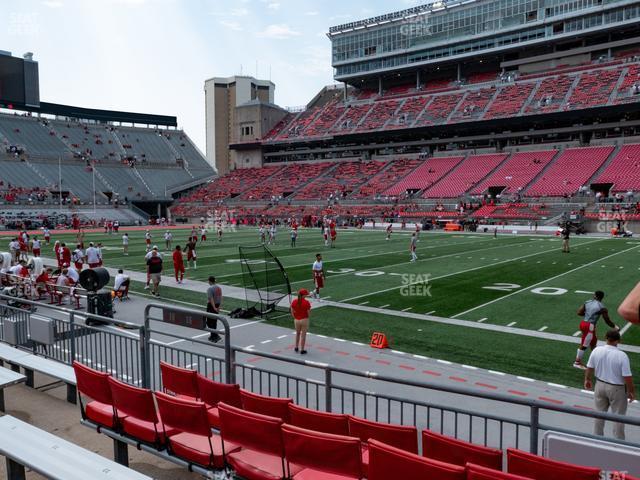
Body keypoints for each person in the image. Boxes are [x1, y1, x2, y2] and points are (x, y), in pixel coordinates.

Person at [584, 329, 635, 440]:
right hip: (617, 389)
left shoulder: (596, 350)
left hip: (600, 385)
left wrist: (587, 380)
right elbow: (627, 377)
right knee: (618, 418)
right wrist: (631, 391)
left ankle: (596, 440)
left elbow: (589, 367)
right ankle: (618, 443)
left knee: (599, 415)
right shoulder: (622, 355)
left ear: (605, 338)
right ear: (618, 341)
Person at [574, 291, 618, 369]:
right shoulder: (602, 307)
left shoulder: (587, 302)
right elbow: (607, 320)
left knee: (593, 343)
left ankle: (596, 361)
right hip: (589, 326)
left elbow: (579, 312)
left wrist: (588, 314)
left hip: (583, 323)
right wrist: (615, 326)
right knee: (584, 345)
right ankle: (577, 362)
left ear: (595, 296)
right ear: (602, 297)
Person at [291, 288, 312, 354]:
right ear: (303, 295)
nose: (306, 295)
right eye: (306, 294)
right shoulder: (306, 302)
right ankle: (302, 350)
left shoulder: (294, 301)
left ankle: (296, 347)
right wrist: (307, 317)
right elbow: (308, 313)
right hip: (304, 319)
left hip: (296, 320)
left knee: (297, 334)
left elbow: (292, 310)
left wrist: (295, 317)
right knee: (303, 335)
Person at [206, 276, 222, 343]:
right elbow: (220, 297)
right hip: (217, 304)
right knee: (214, 321)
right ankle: (214, 334)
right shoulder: (219, 288)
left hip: (211, 306)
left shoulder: (210, 288)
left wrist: (214, 307)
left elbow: (211, 299)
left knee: (209, 321)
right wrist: (218, 307)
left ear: (210, 281)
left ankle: (214, 336)